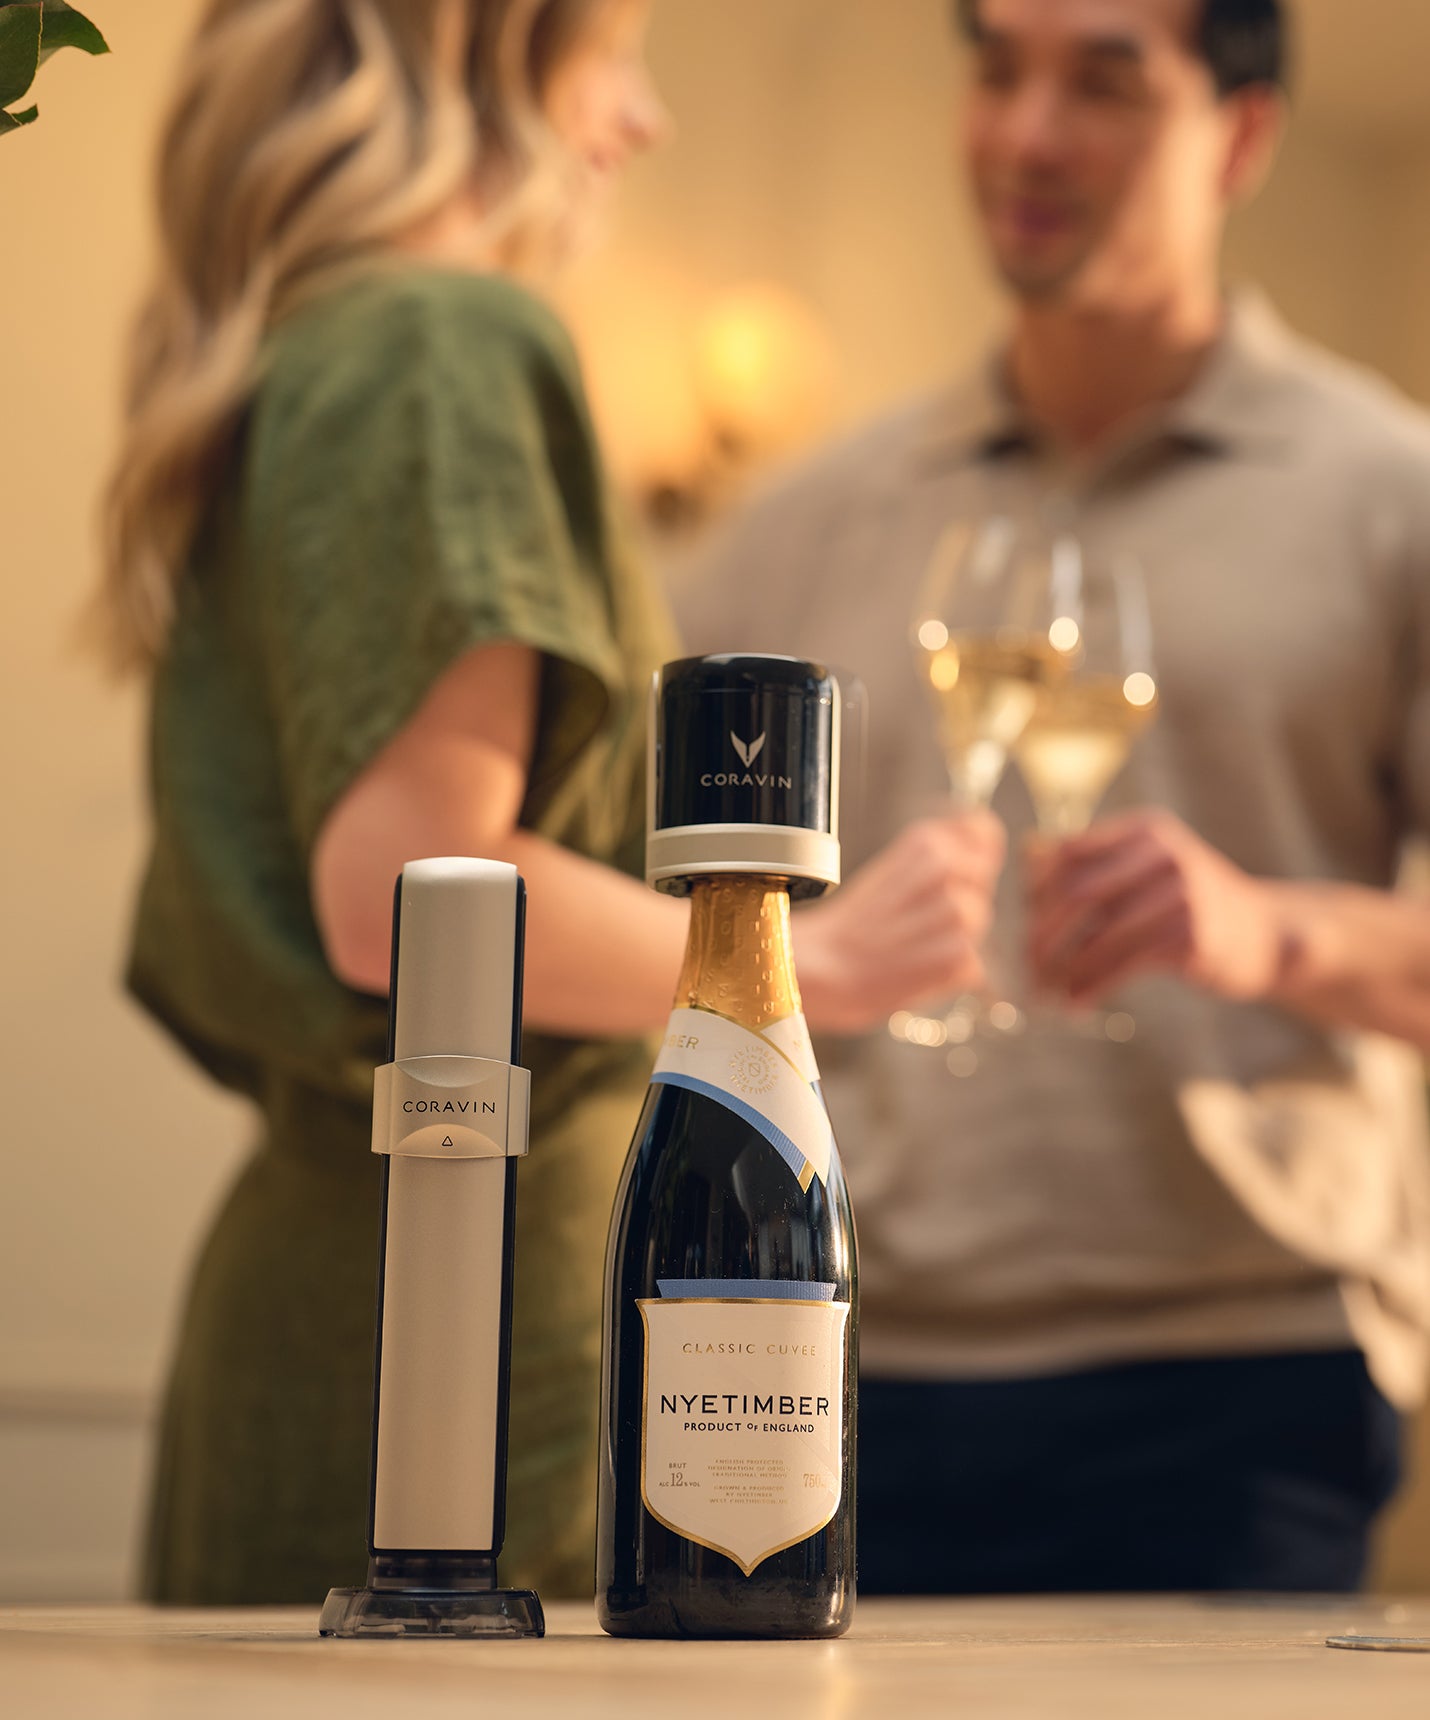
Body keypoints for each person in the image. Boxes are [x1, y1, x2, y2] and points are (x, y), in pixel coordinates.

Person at [93, 0, 998, 1605]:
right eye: (616, 56)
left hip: (345, 1296)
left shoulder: (322, 350)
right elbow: (411, 892)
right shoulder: (443, 341)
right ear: (487, 58)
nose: (642, 120)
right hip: (466, 1324)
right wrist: (828, 965)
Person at [680, 0, 1430, 1594]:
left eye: (1102, 83)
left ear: (1239, 134)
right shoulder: (802, 522)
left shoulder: (1391, 497)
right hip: (835, 1358)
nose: (1025, 135)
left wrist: (1267, 936)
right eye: (997, 70)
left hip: (1242, 1381)